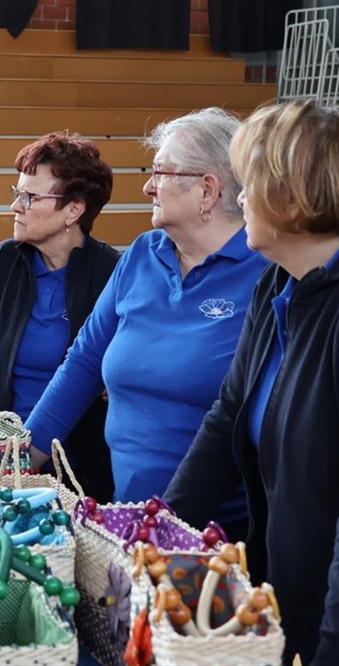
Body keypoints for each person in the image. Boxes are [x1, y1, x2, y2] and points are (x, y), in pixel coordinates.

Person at [164, 100, 339, 664]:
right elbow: (226, 420)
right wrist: (157, 535)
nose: (239, 196)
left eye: (250, 182)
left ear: (296, 196)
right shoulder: (280, 279)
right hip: (300, 602)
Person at [22, 110, 270, 531]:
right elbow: (82, 364)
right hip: (131, 522)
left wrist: (165, 524)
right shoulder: (142, 254)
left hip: (218, 538)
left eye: (161, 172)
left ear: (207, 190)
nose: (147, 186)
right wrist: (17, 458)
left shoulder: (264, 273)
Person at [0, 131, 120, 501]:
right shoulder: (2, 261)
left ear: (73, 210)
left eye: (29, 197)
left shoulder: (112, 273)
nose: (15, 206)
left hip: (78, 469)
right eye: (17, 193)